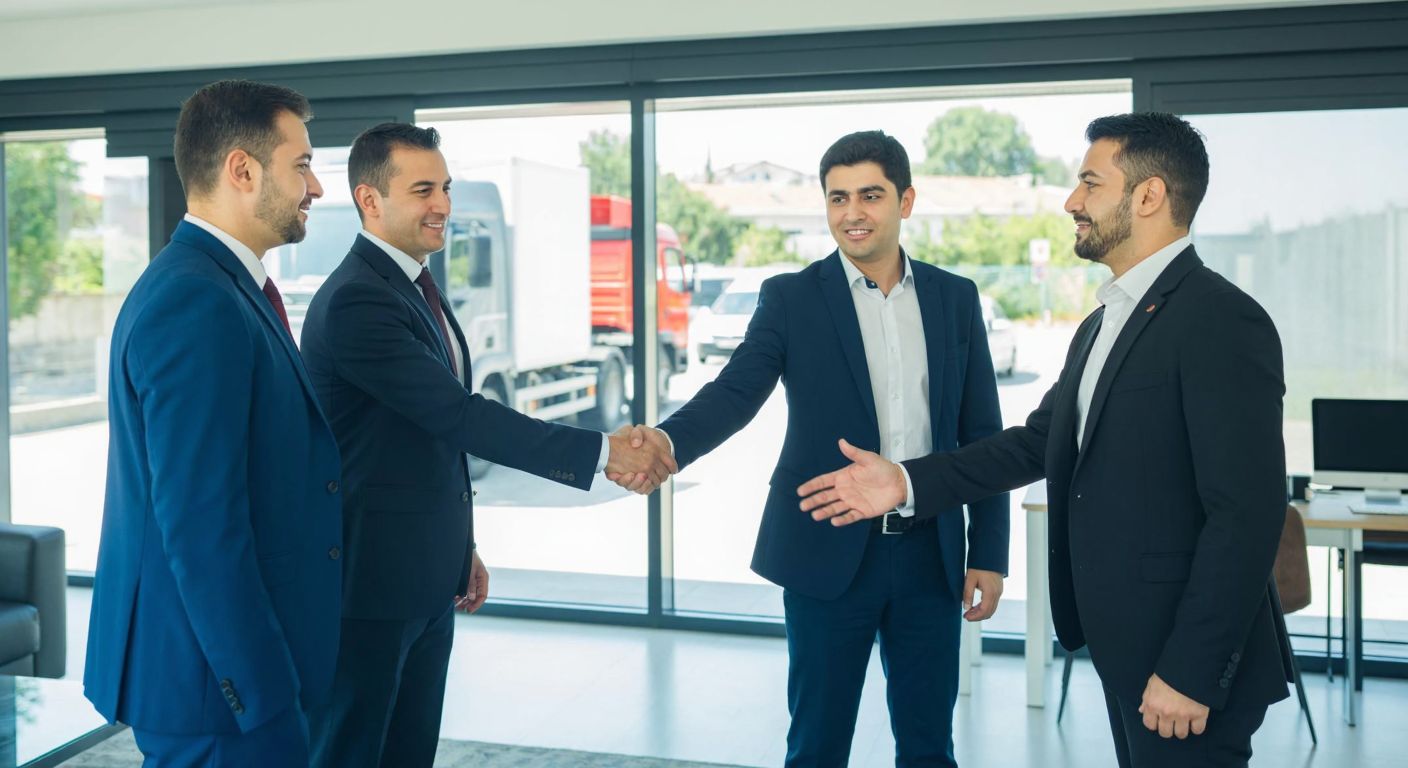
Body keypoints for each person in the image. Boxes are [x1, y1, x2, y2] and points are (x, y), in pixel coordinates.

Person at [799, 113, 1294, 768]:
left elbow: (1247, 516)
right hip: (1134, 648)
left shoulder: (1219, 319)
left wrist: (1192, 670)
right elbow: (1034, 443)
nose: (1071, 202)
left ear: (1147, 197)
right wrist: (907, 482)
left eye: (1090, 183)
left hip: (1183, 662)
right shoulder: (1104, 323)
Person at [614, 131, 1009, 767]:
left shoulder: (953, 298)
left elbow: (981, 435)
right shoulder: (791, 298)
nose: (852, 212)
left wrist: (989, 551)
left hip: (929, 556)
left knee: (930, 747)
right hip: (826, 554)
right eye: (837, 197)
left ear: (905, 201)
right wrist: (666, 441)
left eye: (870, 195)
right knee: (818, 745)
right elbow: (736, 391)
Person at [298, 122, 674, 767]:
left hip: (423, 574)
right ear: (369, 200)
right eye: (422, 190)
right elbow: (458, 415)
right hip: (369, 585)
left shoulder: (414, 283)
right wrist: (605, 453)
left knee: (408, 750)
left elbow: (428, 444)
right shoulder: (357, 300)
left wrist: (461, 545)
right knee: (352, 751)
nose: (442, 203)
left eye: (444, 187)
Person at [84, 79, 341, 766]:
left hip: (221, 675)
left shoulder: (221, 286)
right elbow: (200, 527)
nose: (315, 187)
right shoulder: (196, 303)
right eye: (302, 164)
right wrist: (259, 692)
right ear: (241, 170)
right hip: (216, 688)